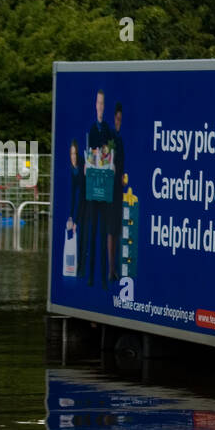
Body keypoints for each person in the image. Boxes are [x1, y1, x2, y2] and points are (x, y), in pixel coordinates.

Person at [84, 89, 113, 286]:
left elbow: (110, 155)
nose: (100, 107)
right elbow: (89, 156)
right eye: (98, 103)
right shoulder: (92, 130)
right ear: (95, 105)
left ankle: (103, 278)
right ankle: (91, 278)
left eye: (103, 103)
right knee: (92, 231)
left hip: (105, 187)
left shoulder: (108, 130)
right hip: (93, 186)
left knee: (103, 233)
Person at [109, 101, 125, 283]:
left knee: (118, 229)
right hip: (112, 190)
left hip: (120, 189)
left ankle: (116, 269)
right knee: (112, 230)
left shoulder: (119, 139)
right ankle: (112, 269)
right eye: (118, 118)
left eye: (121, 119)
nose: (119, 122)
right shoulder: (112, 139)